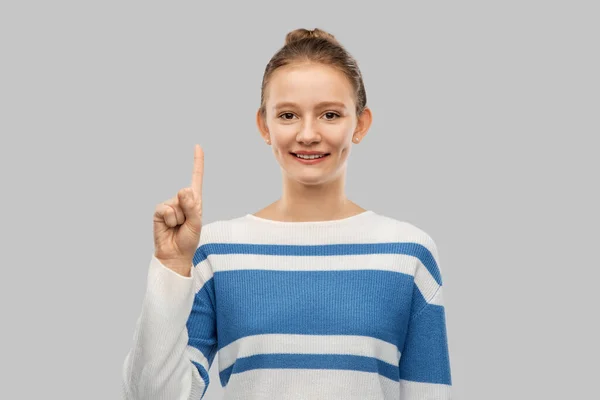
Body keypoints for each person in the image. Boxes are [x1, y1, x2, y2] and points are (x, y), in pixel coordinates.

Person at [121, 28, 452, 400]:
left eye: (329, 114)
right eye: (288, 115)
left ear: (360, 124)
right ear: (264, 125)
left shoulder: (409, 254)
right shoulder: (217, 250)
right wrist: (171, 266)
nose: (308, 134)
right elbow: (152, 396)